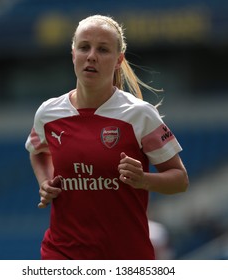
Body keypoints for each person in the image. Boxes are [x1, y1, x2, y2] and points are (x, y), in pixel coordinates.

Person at [25, 14, 189, 260]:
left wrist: (143, 179)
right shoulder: (49, 112)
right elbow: (37, 152)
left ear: (118, 60)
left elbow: (180, 180)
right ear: (73, 54)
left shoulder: (139, 114)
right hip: (62, 253)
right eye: (84, 47)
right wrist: (45, 181)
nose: (91, 56)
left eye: (103, 49)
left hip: (125, 257)